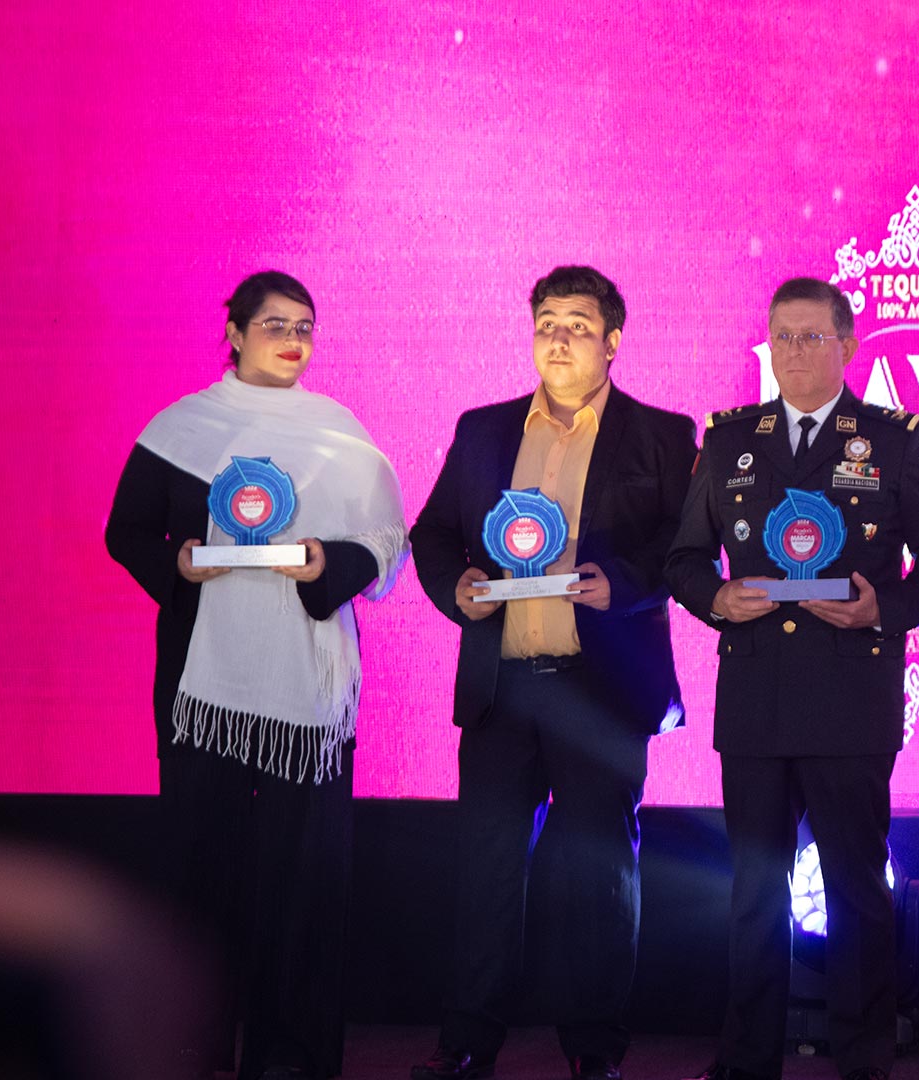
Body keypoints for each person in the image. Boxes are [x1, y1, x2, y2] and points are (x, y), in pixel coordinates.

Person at [665, 277, 919, 1080]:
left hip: (848, 698)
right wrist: (716, 599)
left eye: (811, 336)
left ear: (848, 345)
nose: (794, 351)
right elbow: (684, 559)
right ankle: (745, 1064)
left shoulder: (894, 440)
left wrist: (883, 609)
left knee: (857, 893)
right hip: (757, 698)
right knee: (753, 895)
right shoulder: (730, 440)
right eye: (782, 336)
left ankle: (863, 1063)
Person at [103, 270, 409, 1080]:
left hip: (308, 694)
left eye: (305, 326)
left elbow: (386, 543)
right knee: (199, 866)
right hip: (202, 689)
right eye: (275, 324)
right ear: (235, 334)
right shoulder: (180, 428)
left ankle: (291, 1056)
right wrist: (176, 562)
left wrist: (328, 562)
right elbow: (125, 531)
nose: (292, 339)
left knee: (304, 878)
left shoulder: (340, 434)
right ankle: (190, 1047)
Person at [409, 266, 697, 1080]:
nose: (559, 338)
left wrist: (625, 585)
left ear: (613, 340)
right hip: (503, 685)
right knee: (487, 870)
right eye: (546, 323)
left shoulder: (662, 435)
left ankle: (594, 1050)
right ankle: (468, 1041)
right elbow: (433, 534)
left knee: (599, 874)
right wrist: (456, 586)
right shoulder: (483, 430)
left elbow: (689, 546)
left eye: (578, 324)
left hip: (601, 689)